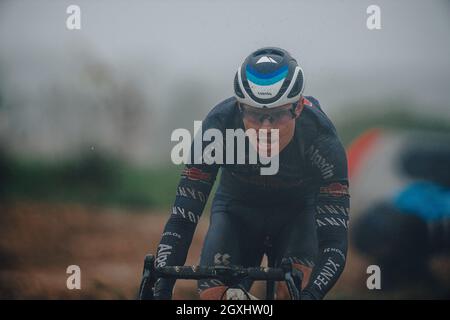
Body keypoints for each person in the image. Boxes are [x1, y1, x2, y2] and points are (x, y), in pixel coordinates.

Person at [145, 47, 350, 300]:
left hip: (296, 216)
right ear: (240, 107)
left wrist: (313, 295)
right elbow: (182, 219)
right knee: (215, 298)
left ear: (297, 108)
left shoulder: (321, 139)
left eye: (276, 116)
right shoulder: (218, 127)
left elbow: (334, 243)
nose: (266, 128)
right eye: (254, 114)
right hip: (237, 212)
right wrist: (161, 289)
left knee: (291, 292)